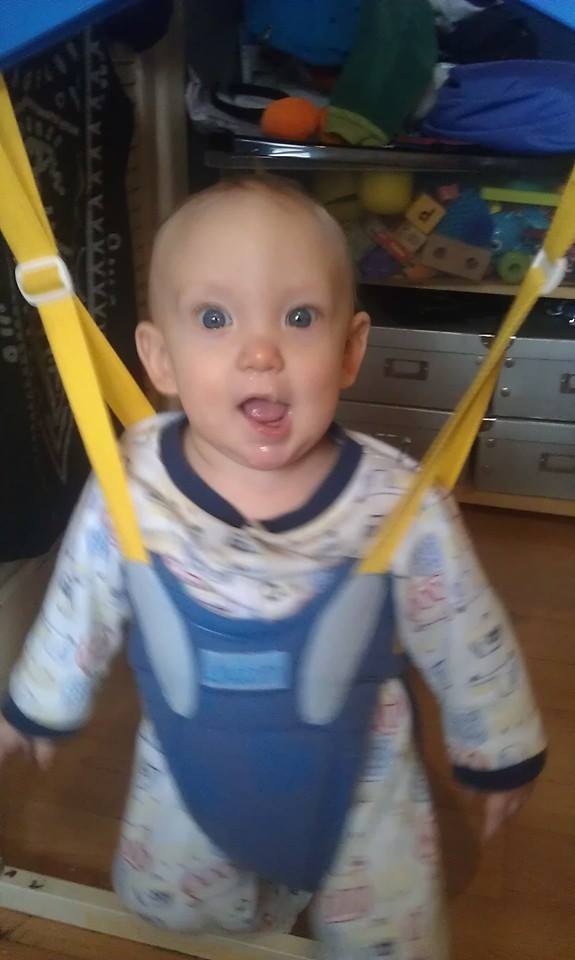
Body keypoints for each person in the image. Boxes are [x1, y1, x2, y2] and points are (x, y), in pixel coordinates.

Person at [0, 176, 546, 959]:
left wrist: (498, 748)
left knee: (388, 937)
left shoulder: (394, 501)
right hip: (191, 760)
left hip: (358, 774)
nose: (260, 353)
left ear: (349, 349)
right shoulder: (134, 483)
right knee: (173, 902)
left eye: (299, 317)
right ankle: (248, 900)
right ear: (158, 357)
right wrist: (39, 708)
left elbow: (463, 628)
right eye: (214, 318)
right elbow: (78, 600)